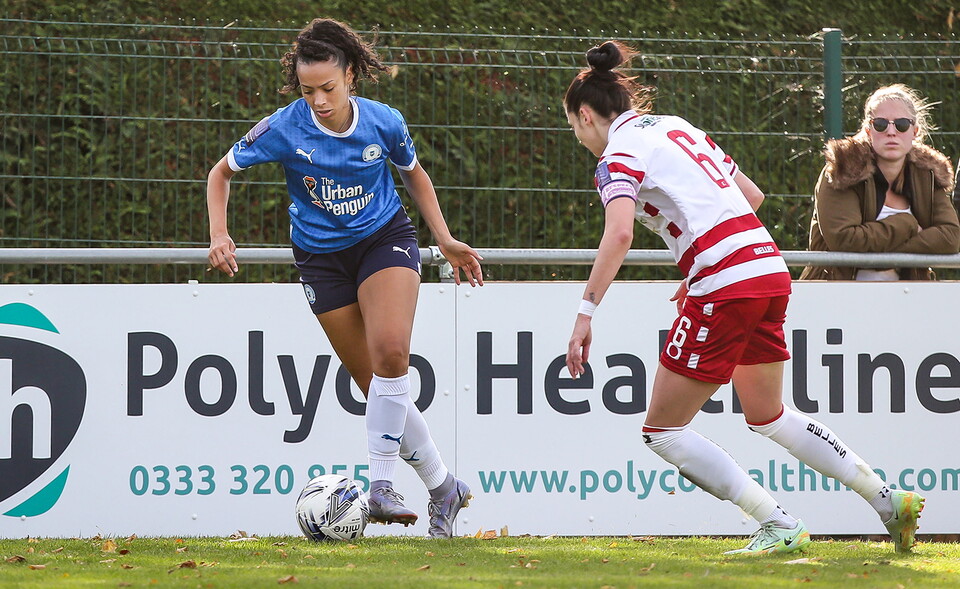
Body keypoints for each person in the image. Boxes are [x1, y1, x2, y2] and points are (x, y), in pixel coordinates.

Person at [563, 41, 924, 555]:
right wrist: (699, 263)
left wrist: (585, 313)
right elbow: (751, 197)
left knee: (663, 430)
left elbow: (618, 234)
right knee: (769, 414)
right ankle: (890, 501)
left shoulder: (616, 156)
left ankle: (777, 523)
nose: (579, 139)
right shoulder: (676, 126)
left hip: (727, 280)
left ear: (584, 115)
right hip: (767, 268)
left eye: (574, 128)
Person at [205, 17, 482, 538]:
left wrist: (443, 238)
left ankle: (381, 487)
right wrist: (219, 233)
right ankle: (444, 488)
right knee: (378, 387)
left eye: (328, 88)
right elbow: (220, 173)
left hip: (384, 239)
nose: (319, 101)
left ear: (351, 75)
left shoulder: (385, 123)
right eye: (308, 91)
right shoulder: (284, 127)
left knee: (392, 353)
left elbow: (414, 175)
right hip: (320, 261)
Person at [799, 84, 959, 281]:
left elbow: (950, 238)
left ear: (915, 131)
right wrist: (906, 224)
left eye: (901, 124)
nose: (891, 132)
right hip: (838, 292)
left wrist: (882, 255)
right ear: (868, 130)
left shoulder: (928, 174)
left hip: (910, 292)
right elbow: (844, 240)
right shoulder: (844, 169)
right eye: (881, 124)